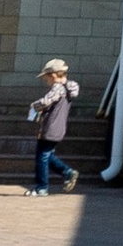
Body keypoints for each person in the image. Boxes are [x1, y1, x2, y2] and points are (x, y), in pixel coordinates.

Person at [27, 64, 79, 194]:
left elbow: (45, 102)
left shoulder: (58, 88)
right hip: (59, 127)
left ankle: (42, 187)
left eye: (46, 78)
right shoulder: (69, 88)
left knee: (42, 157)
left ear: (54, 75)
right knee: (47, 155)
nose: (46, 81)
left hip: (50, 127)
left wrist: (33, 106)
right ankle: (67, 172)